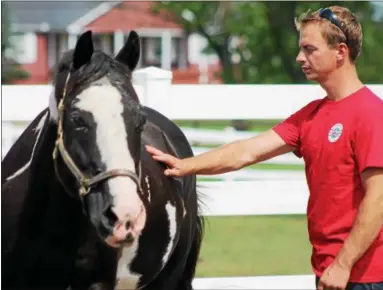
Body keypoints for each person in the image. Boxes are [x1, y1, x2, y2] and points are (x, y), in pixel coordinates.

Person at [146, 5, 383, 290]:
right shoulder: (311, 116)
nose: (299, 58)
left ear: (340, 52)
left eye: (309, 49)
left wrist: (343, 265)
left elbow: (378, 199)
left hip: (366, 276)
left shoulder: (371, 114)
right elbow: (246, 151)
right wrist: (184, 165)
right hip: (330, 269)